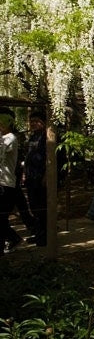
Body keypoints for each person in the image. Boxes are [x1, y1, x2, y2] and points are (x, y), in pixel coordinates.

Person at [0, 107, 24, 254]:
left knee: (1, 217)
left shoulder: (10, 138)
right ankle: (12, 239)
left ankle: (13, 239)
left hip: (5, 184)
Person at [23, 111, 47, 246]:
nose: (33, 123)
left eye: (36, 121)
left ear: (44, 122)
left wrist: (46, 176)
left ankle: (44, 237)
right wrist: (25, 173)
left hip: (41, 178)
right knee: (34, 207)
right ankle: (38, 234)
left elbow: (50, 159)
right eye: (31, 121)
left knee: (42, 208)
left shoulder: (47, 137)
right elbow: (28, 157)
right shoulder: (33, 137)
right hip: (31, 177)